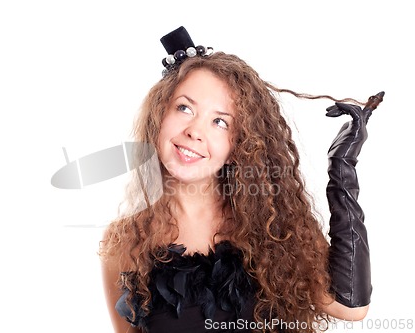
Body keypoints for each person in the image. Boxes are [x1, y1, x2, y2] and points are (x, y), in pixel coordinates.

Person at [99, 26, 382, 333]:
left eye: (219, 122)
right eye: (184, 107)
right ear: (159, 116)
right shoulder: (125, 242)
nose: (196, 131)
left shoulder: (276, 227)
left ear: (237, 146)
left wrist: (342, 171)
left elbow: (350, 307)